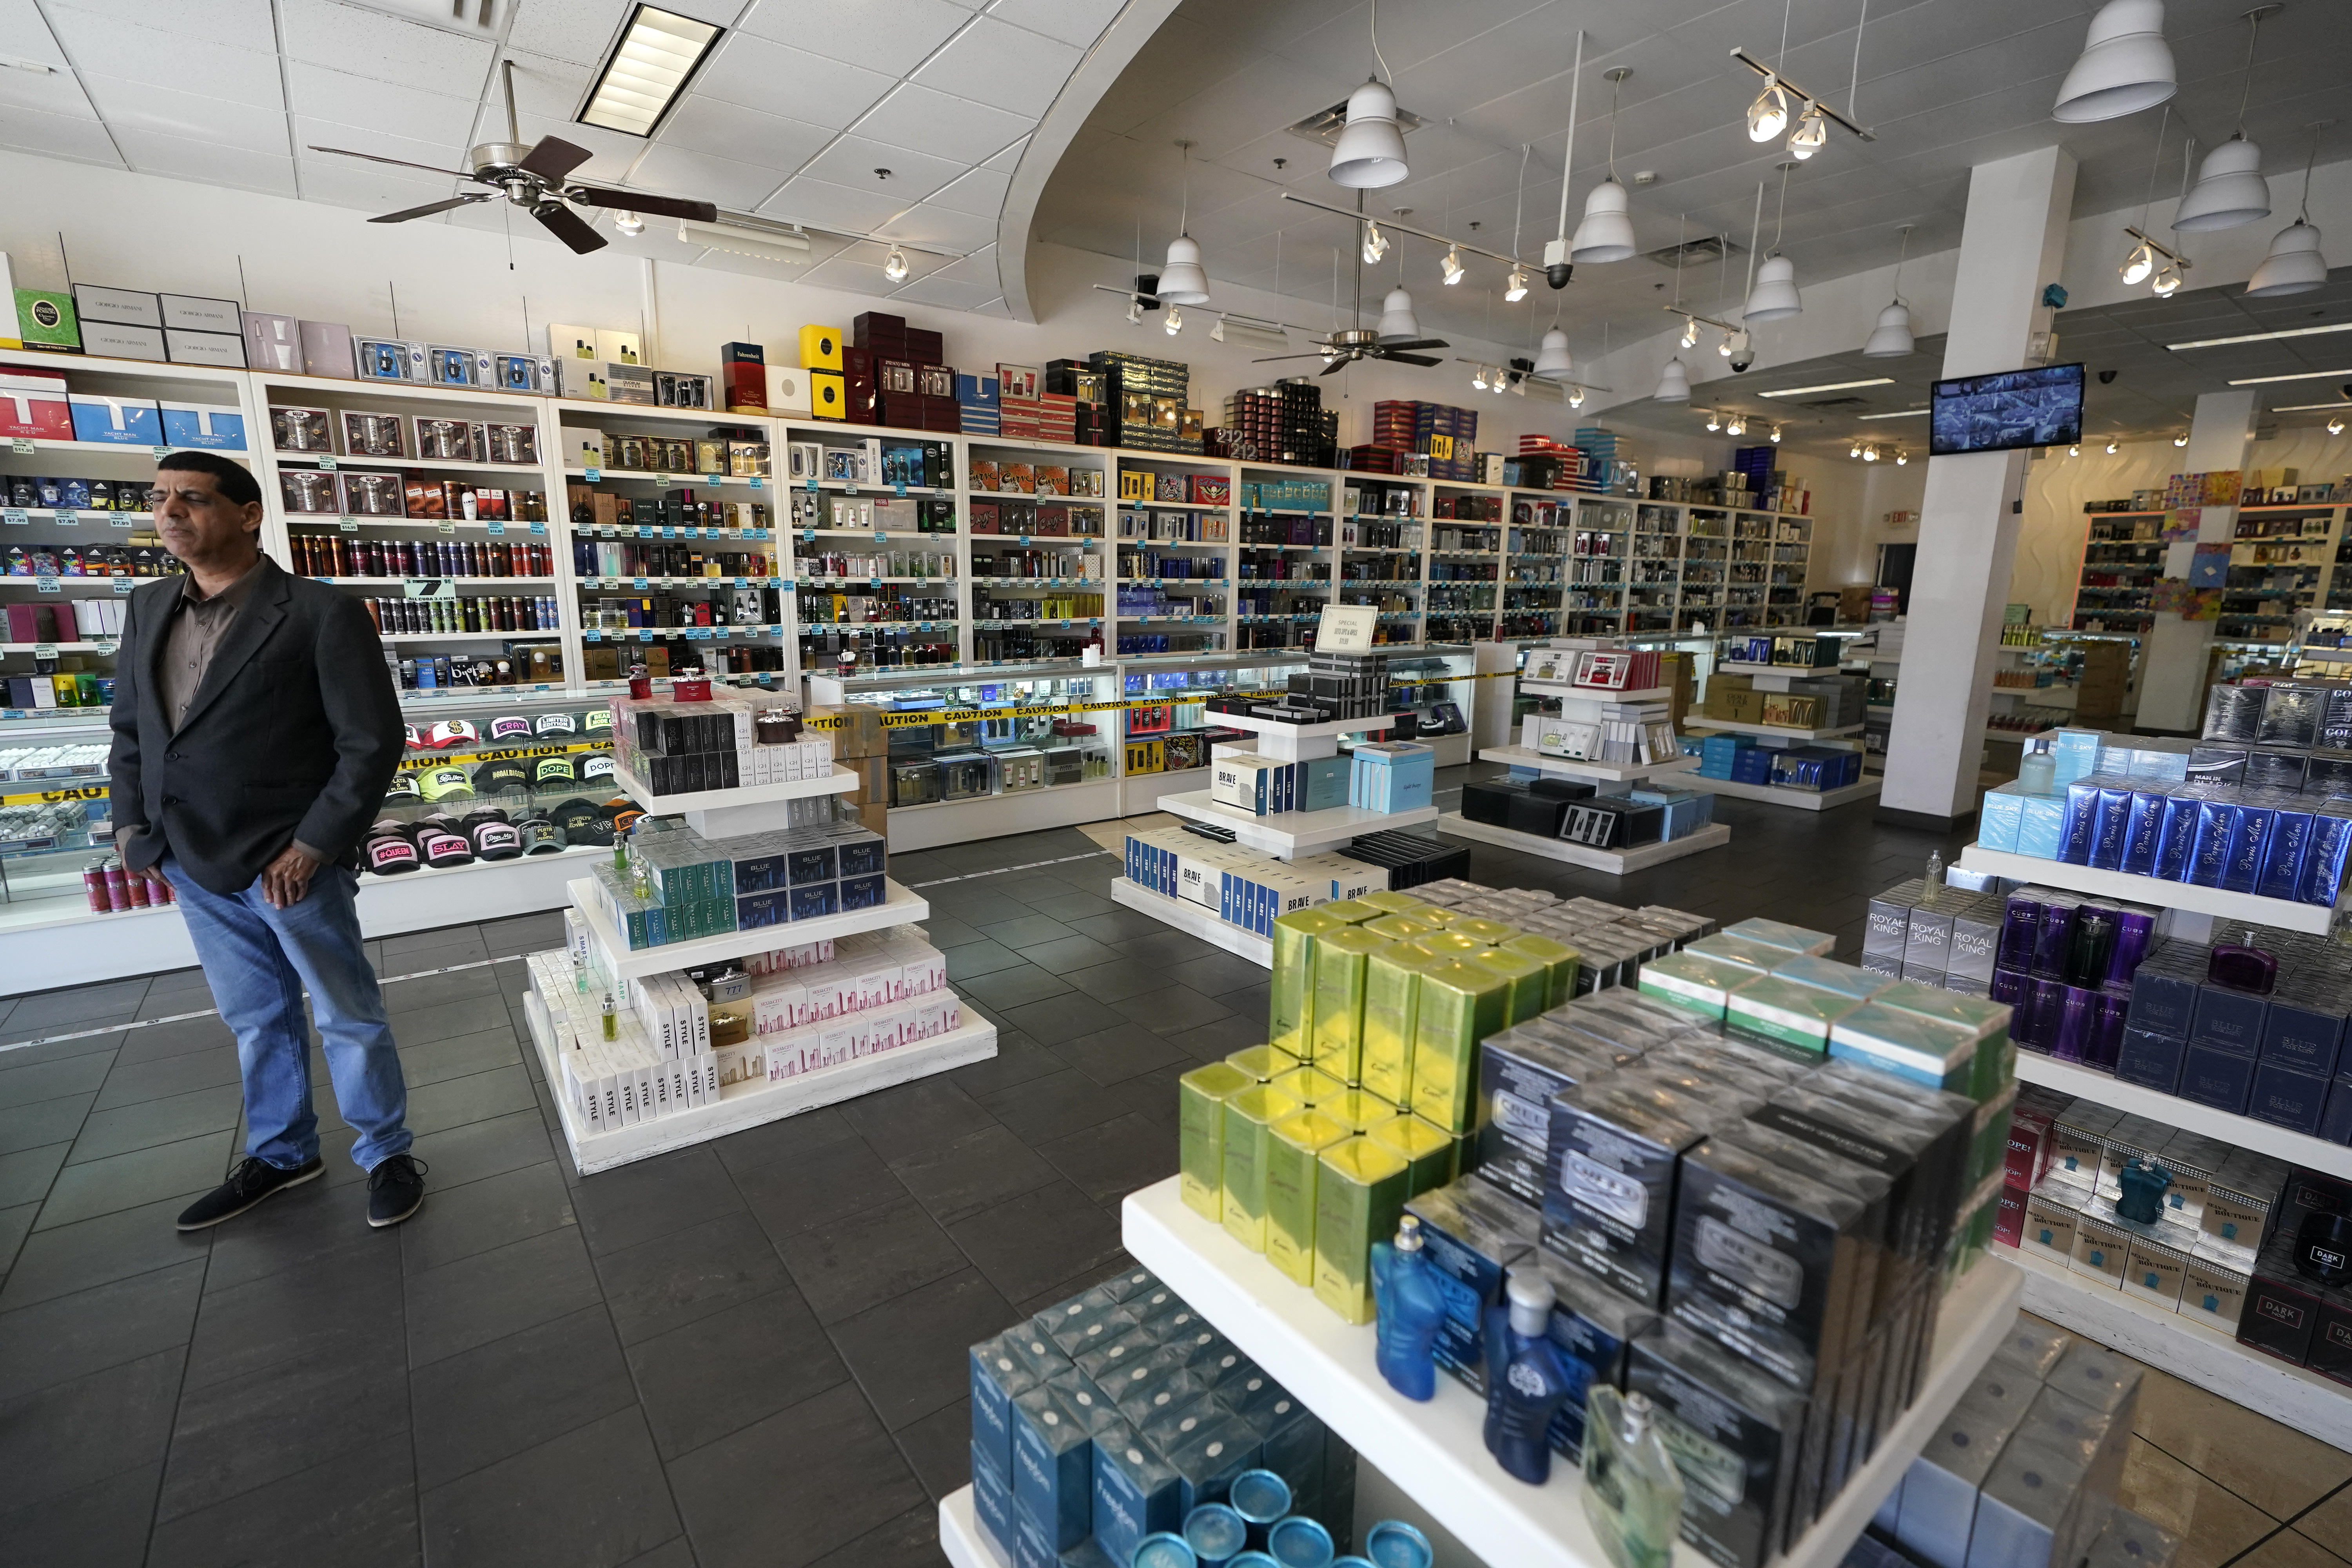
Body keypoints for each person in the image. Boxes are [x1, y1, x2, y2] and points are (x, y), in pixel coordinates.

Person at [107, 451, 425, 1230]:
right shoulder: (148, 606)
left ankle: (386, 1152)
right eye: (159, 499)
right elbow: (130, 731)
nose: (170, 513)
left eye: (192, 499)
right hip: (189, 858)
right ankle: (285, 1153)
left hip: (290, 863)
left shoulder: (320, 611)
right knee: (255, 1015)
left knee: (345, 1009)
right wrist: (131, 830)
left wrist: (315, 843)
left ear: (249, 513)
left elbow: (372, 742)